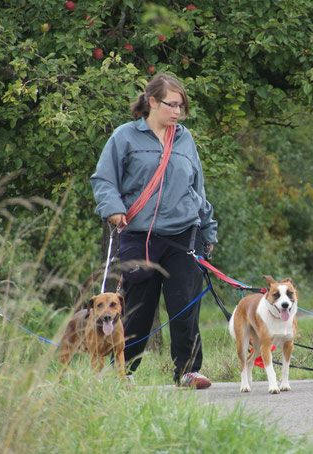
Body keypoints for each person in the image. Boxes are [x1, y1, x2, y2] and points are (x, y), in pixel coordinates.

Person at [90, 73, 217, 388]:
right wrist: (112, 207)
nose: (177, 112)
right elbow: (103, 180)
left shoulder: (185, 139)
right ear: (151, 102)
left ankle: (188, 371)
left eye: (181, 106)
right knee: (137, 307)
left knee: (184, 303)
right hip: (139, 234)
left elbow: (197, 188)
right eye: (171, 105)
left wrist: (208, 231)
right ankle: (124, 373)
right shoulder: (124, 137)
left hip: (184, 232)